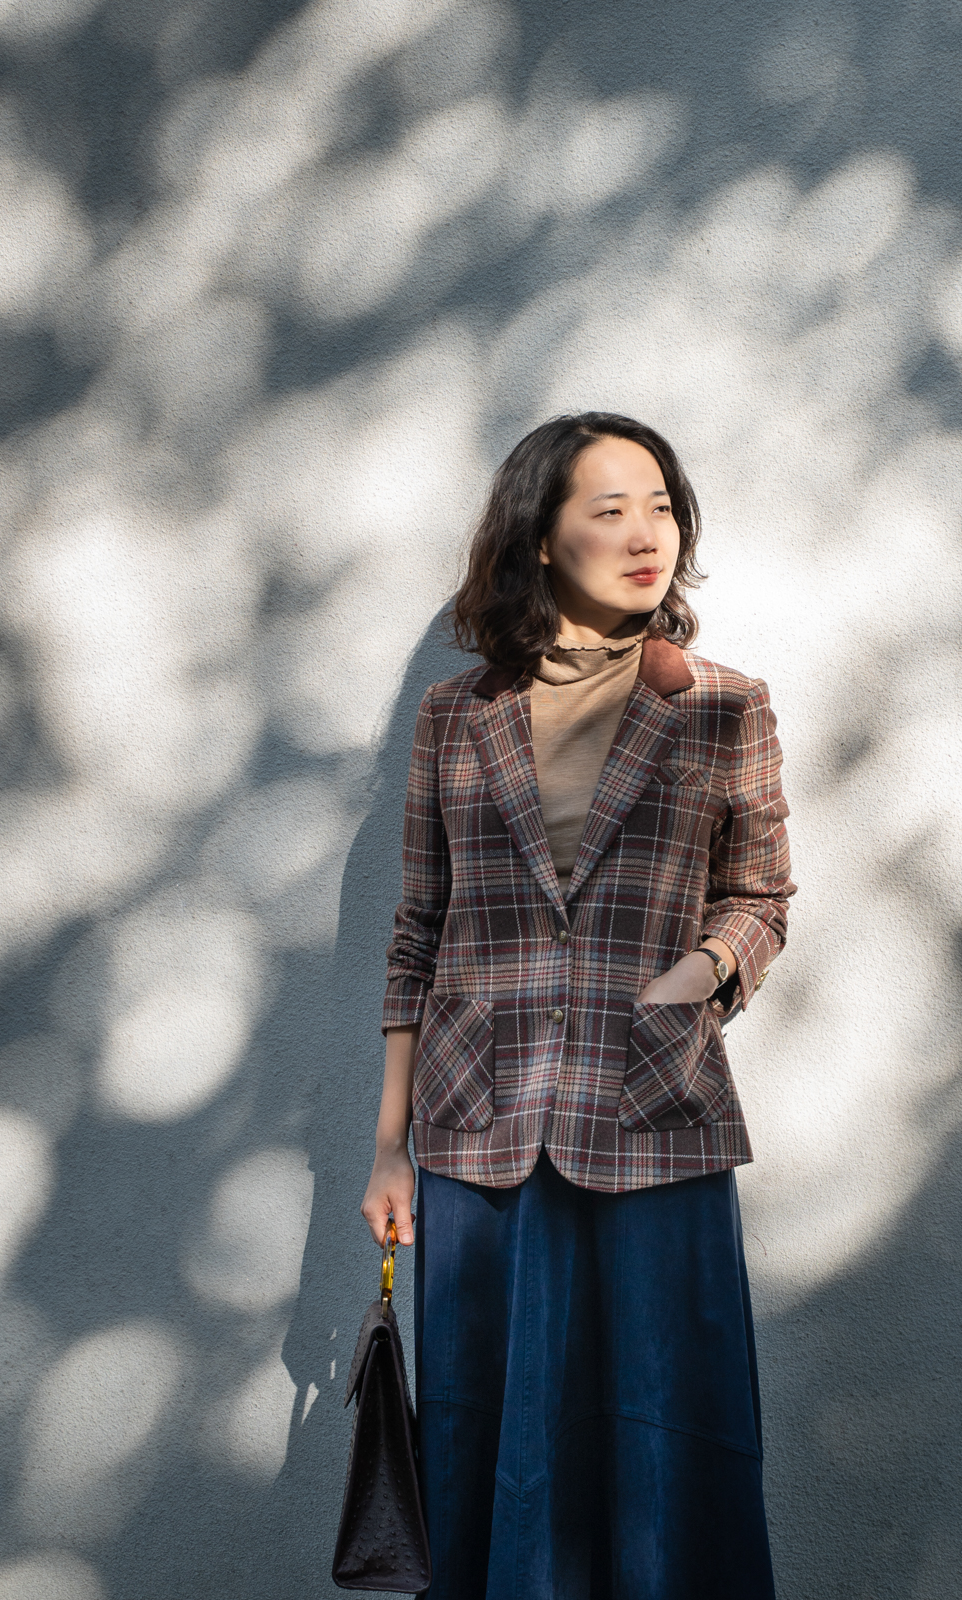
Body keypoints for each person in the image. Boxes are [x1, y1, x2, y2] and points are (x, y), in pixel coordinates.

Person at [361, 412, 795, 1600]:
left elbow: (758, 895)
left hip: (655, 1118)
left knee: (667, 1428)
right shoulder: (455, 716)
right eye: (608, 510)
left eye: (661, 508)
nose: (645, 534)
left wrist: (686, 981)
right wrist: (390, 1145)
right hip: (475, 1133)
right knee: (493, 1436)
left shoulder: (722, 705)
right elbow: (418, 927)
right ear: (540, 537)